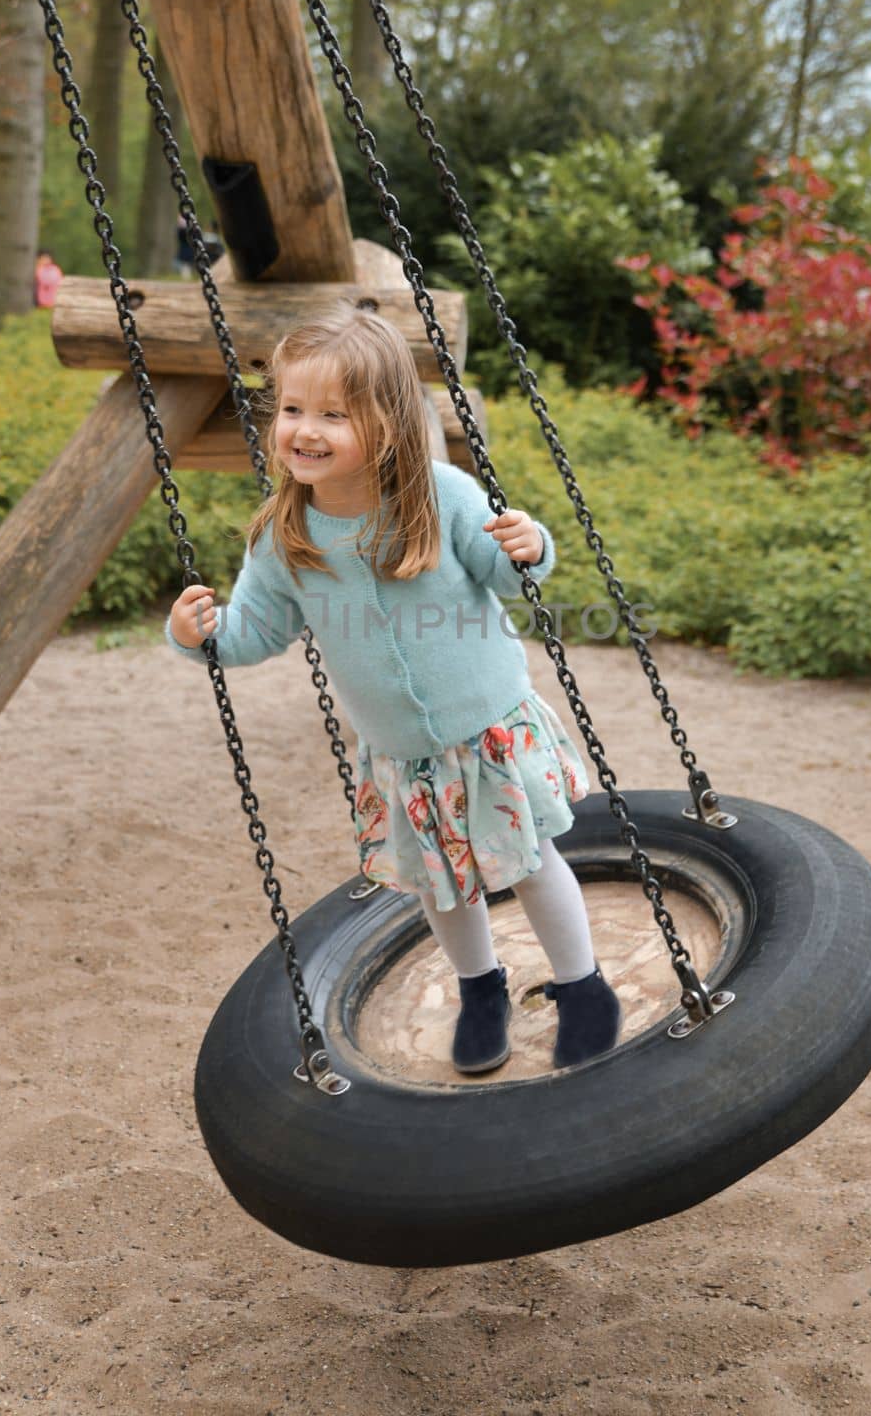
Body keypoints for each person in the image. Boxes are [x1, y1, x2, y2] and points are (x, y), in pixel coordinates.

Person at [166, 303, 621, 1075]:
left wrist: (530, 544)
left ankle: (583, 989)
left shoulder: (440, 496)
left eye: (332, 414)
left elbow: (505, 569)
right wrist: (197, 635)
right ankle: (481, 990)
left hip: (487, 730)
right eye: (292, 409)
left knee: (531, 860)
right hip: (401, 754)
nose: (304, 430)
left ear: (385, 424)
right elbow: (255, 634)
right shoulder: (284, 536)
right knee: (440, 884)